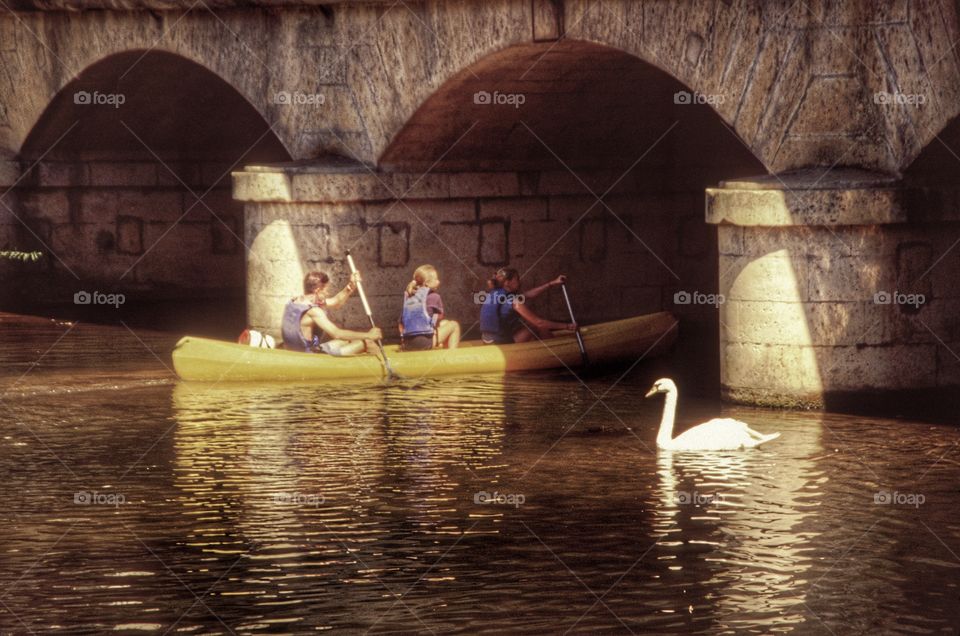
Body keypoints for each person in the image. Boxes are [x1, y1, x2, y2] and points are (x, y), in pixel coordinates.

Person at [281, 270, 382, 355]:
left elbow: (336, 301)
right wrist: (369, 335)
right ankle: (388, 367)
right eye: (326, 290)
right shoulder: (314, 311)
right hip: (310, 357)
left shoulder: (295, 301)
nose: (327, 293)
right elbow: (337, 334)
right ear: (317, 290)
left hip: (298, 352)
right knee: (367, 342)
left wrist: (351, 285)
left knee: (347, 340)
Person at [479, 267, 576, 344]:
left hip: (487, 340)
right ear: (507, 283)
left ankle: (542, 344)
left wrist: (552, 283)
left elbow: (528, 294)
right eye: (517, 279)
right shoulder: (513, 301)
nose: (519, 282)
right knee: (536, 326)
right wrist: (567, 326)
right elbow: (539, 323)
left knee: (528, 326)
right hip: (499, 343)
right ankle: (556, 350)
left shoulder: (495, 293)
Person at [398, 264, 461, 350]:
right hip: (425, 342)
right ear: (427, 283)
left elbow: (401, 322)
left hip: (407, 343)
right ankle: (451, 357)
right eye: (436, 279)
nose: (438, 281)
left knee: (445, 323)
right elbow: (438, 316)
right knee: (454, 325)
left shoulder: (409, 296)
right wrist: (432, 327)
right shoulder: (434, 296)